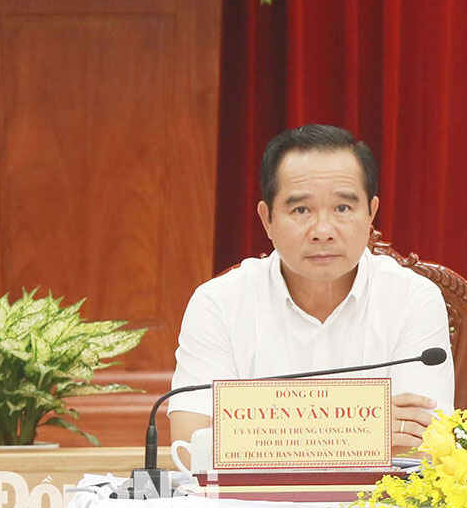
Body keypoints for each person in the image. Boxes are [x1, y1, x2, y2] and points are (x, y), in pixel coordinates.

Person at [168, 125, 452, 453]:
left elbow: (424, 444)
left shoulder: (414, 299)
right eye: (301, 210)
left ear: (371, 213)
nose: (322, 230)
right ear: (267, 219)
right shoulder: (217, 303)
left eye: (343, 208)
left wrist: (253, 434)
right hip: (250, 504)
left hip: (377, 503)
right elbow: (191, 446)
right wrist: (362, 429)